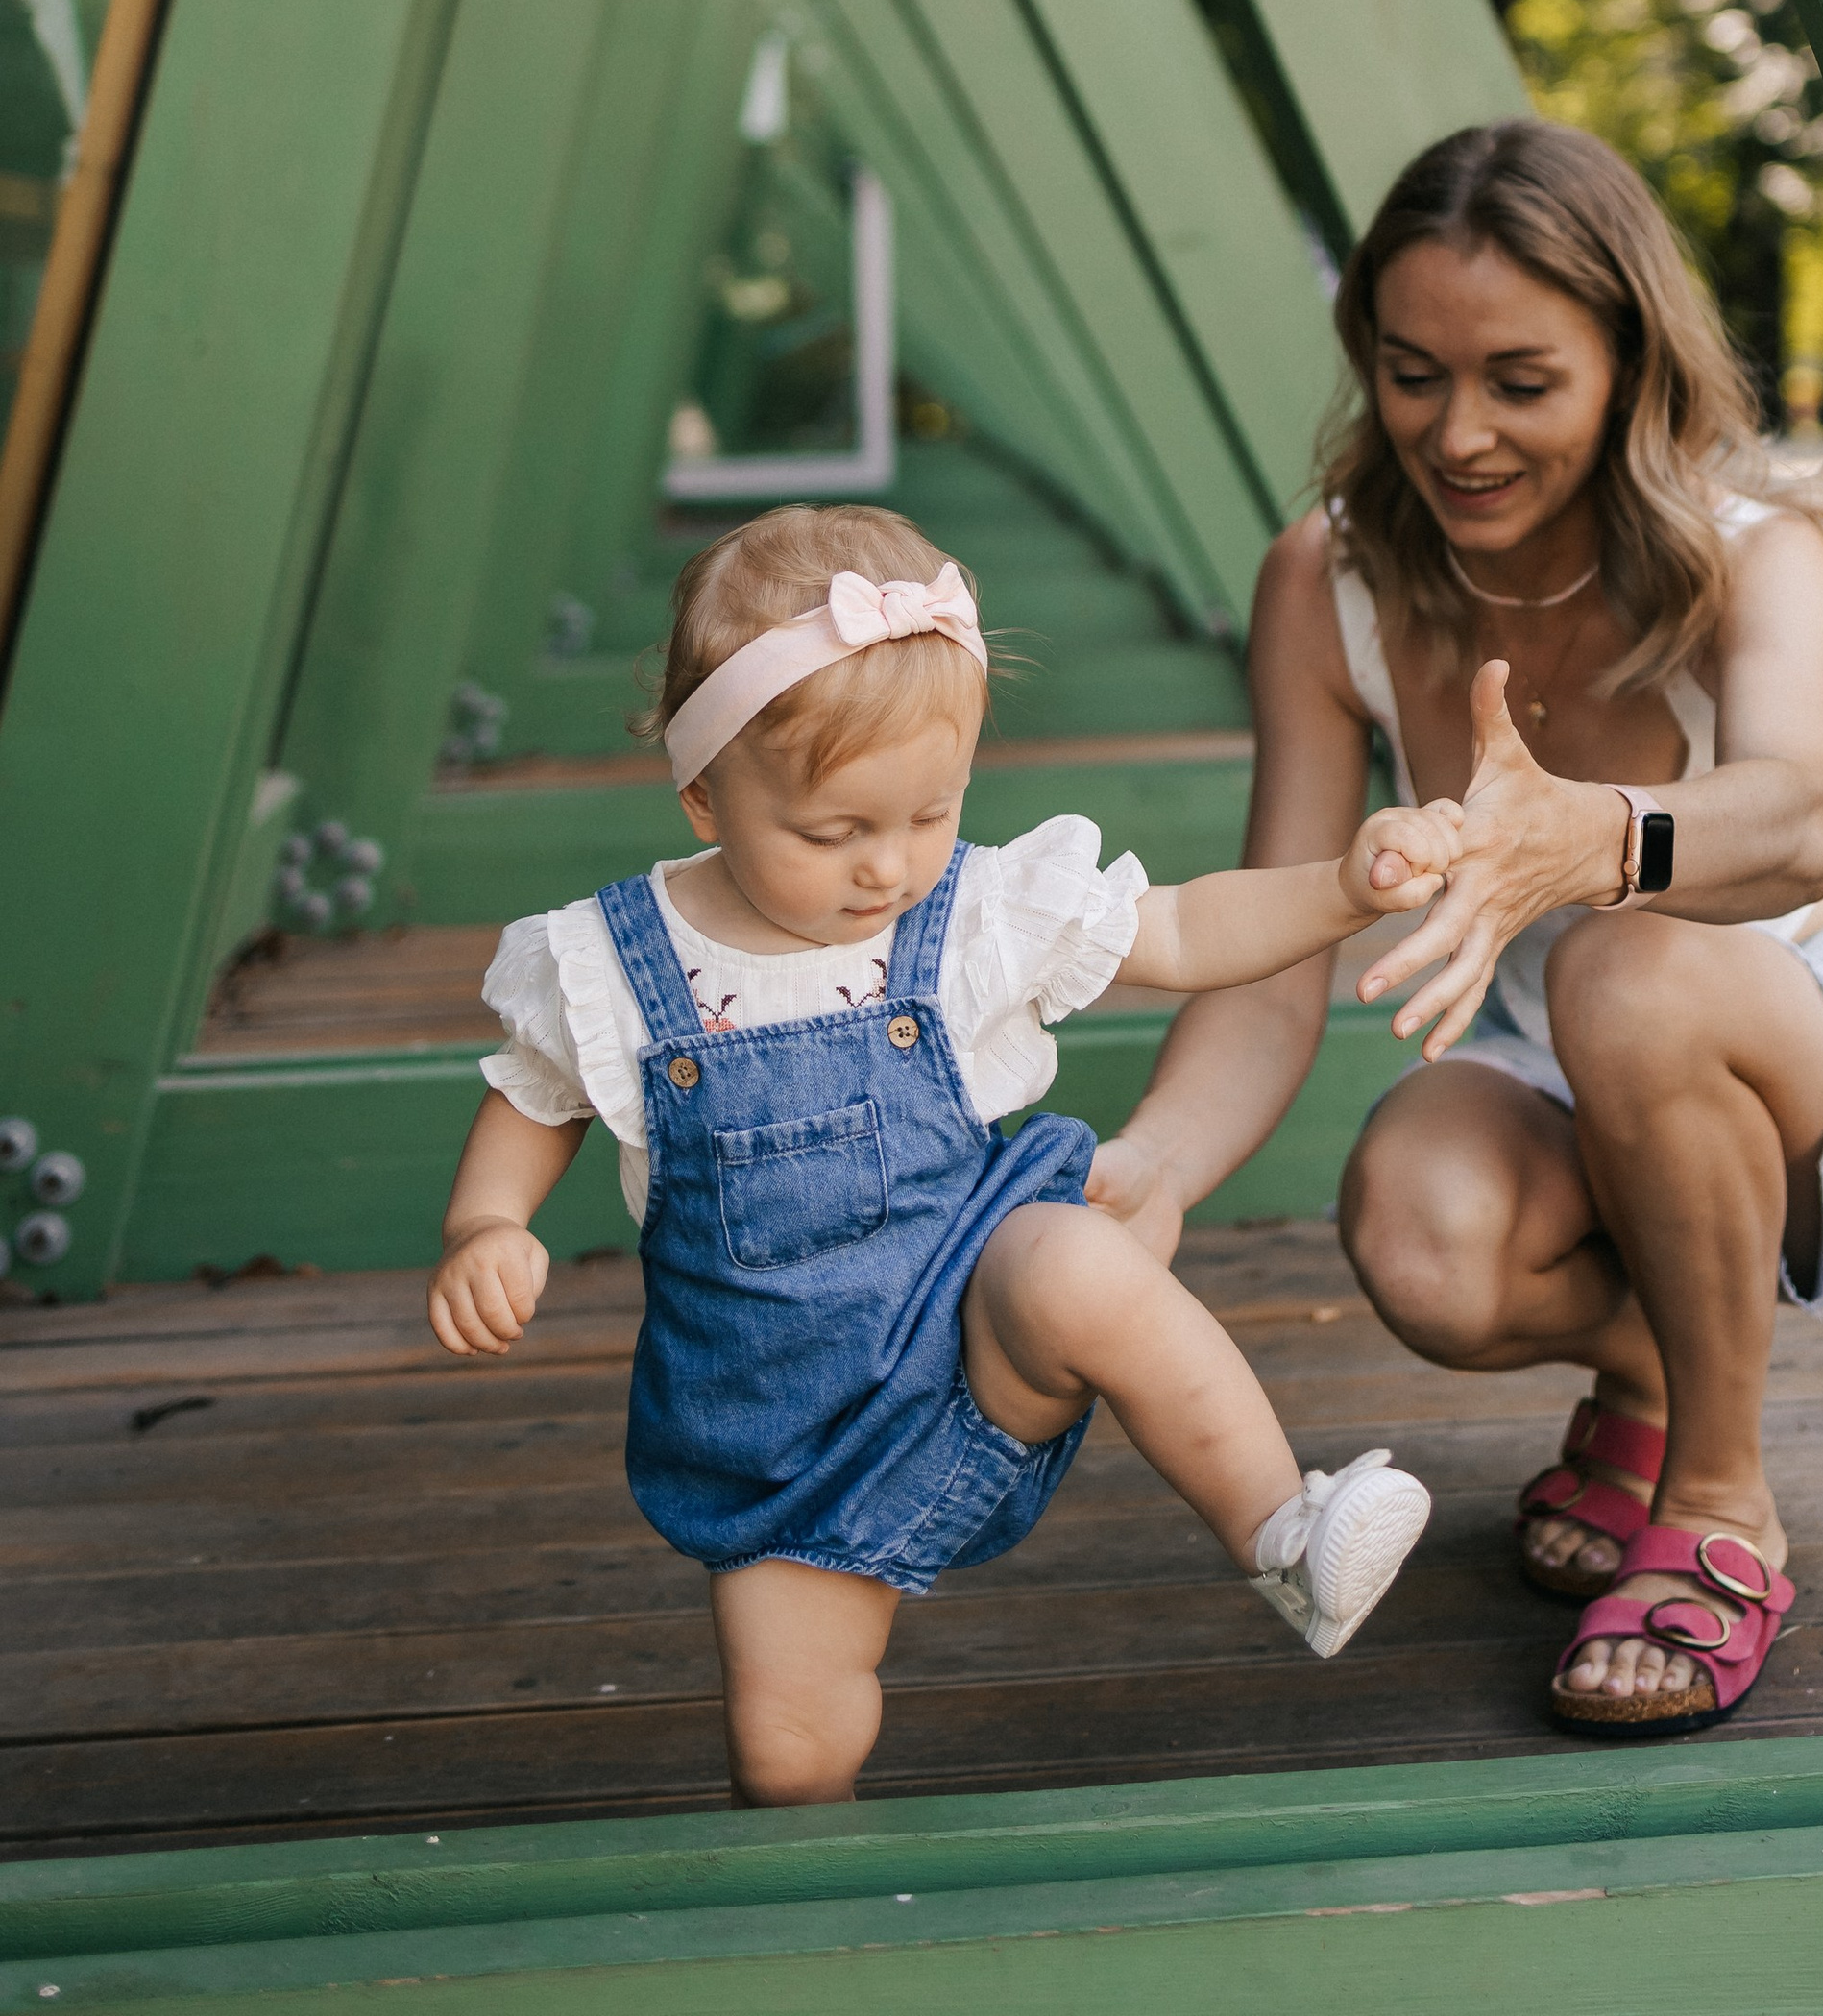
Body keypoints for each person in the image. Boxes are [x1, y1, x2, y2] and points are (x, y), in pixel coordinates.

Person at [1086, 120, 1823, 1737]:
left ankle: (1716, 1499)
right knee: (1421, 1238)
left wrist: (1599, 839)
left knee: (1625, 959)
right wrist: (1149, 1169)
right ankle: (1649, 1369)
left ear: (1628, 361)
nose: (1458, 433)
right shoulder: (1328, 583)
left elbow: (1795, 821)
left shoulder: (1750, 550)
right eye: (1411, 373)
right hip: (1560, 1068)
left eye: (1521, 380)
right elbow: (1276, 951)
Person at [427, 502, 1454, 1803]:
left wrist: (1344, 890)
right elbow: (537, 1095)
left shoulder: (972, 910)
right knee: (789, 1745)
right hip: (787, 1446)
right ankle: (809, 1873)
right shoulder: (615, 966)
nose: (890, 867)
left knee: (1075, 1260)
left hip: (977, 1330)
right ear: (703, 793)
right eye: (832, 832)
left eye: (932, 811)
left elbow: (1184, 931)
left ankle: (1284, 1531)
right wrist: (487, 1224)